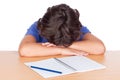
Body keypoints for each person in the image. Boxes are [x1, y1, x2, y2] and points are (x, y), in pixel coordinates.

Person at [18, 4, 105, 57]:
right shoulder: (37, 27)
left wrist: (64, 45)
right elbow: (24, 50)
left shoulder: (74, 27)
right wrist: (61, 50)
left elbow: (99, 48)